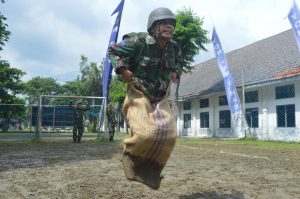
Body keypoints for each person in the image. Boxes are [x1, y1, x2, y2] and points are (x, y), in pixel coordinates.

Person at [109, 7, 182, 189]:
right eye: (165, 23)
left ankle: (150, 172)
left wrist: (175, 73)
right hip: (139, 91)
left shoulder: (174, 48)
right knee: (145, 133)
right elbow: (112, 51)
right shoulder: (138, 42)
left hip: (160, 96)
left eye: (172, 24)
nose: (169, 27)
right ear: (153, 27)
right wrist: (122, 70)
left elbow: (178, 64)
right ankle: (130, 162)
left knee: (170, 134)